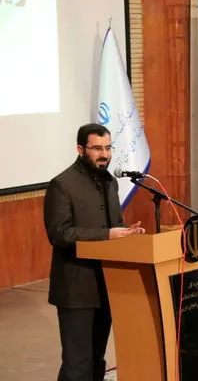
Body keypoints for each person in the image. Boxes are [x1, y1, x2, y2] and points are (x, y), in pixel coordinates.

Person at [43, 123, 146, 381]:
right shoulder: (62, 185)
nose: (105, 154)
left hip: (108, 283)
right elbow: (59, 234)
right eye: (97, 148)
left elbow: (113, 224)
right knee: (78, 364)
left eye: (108, 148)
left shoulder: (109, 182)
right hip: (76, 287)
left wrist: (127, 232)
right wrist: (107, 234)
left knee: (97, 359)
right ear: (80, 149)